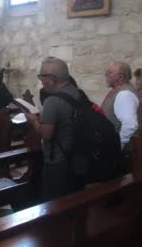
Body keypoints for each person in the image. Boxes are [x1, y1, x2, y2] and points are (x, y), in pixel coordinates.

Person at [25, 57, 84, 200]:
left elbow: (46, 135)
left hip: (58, 160)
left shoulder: (53, 100)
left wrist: (33, 121)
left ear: (52, 79)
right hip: (79, 156)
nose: (40, 80)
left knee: (55, 202)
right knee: (74, 198)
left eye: (41, 76)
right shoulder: (77, 93)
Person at [102, 61, 139, 149]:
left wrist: (119, 145)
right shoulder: (120, 90)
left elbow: (130, 125)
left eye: (109, 72)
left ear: (120, 77)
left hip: (120, 152)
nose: (105, 75)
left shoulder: (125, 94)